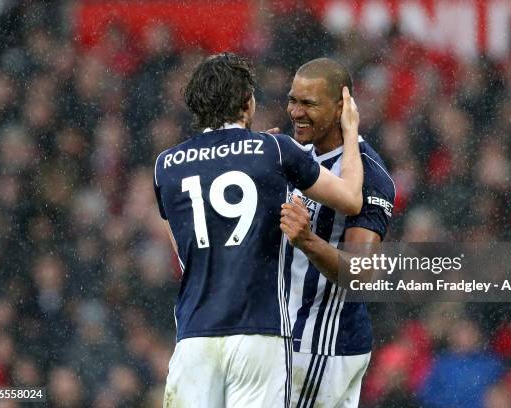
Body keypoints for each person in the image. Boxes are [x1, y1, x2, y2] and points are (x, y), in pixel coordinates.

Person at [153, 52, 363, 408]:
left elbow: (184, 249)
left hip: (196, 333)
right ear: (247, 103)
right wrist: (351, 131)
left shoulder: (166, 165)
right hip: (260, 331)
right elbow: (351, 199)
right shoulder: (275, 150)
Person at [279, 58, 396, 407]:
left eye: (309, 103)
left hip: (324, 344)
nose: (296, 112)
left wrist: (308, 240)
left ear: (341, 107)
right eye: (293, 100)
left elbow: (360, 275)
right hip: (285, 337)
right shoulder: (292, 154)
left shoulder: (370, 176)